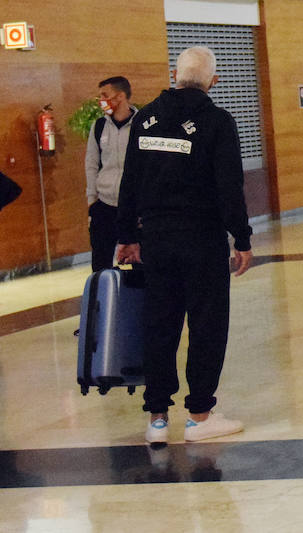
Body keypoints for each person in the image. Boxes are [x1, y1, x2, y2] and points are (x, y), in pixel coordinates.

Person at [115, 46, 253, 444]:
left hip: (156, 239)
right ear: (214, 80)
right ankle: (199, 415)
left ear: (175, 74)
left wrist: (126, 236)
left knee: (160, 323)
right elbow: (230, 187)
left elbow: (131, 182)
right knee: (207, 324)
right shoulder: (216, 121)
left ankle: (157, 418)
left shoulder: (145, 119)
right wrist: (241, 238)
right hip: (202, 239)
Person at [85, 76, 137, 274]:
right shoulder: (99, 126)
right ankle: (101, 301)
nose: (101, 101)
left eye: (105, 96)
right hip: (104, 206)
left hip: (132, 207)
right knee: (100, 264)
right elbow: (91, 162)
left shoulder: (141, 125)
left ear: (120, 96)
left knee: (134, 262)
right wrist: (92, 198)